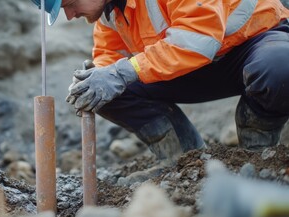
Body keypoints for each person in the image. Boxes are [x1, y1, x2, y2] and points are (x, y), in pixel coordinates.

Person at [31, 0, 289, 162]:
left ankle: (259, 153)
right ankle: (186, 161)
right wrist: (96, 77)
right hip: (194, 66)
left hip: (254, 45)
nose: (70, 15)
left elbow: (198, 39)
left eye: (69, 4)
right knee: (106, 91)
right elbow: (109, 59)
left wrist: (120, 73)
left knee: (280, 67)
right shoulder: (110, 14)